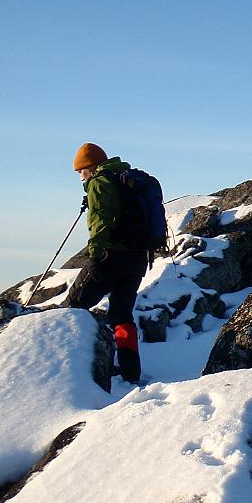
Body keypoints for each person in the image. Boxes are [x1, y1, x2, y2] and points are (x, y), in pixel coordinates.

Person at [66, 142, 147, 383]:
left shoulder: (101, 182)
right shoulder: (126, 178)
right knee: (122, 315)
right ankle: (131, 373)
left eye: (81, 172)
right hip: (137, 259)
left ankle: (68, 374)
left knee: (72, 307)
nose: (80, 177)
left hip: (111, 257)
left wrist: (94, 254)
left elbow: (100, 222)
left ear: (91, 167)